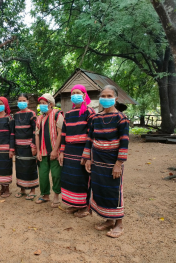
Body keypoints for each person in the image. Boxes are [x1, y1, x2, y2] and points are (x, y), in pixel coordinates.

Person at [83, 85, 129, 238]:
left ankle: (119, 224)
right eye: (104, 96)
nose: (106, 99)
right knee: (100, 189)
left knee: (114, 191)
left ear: (116, 99)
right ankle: (109, 220)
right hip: (97, 161)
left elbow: (124, 142)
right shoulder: (95, 118)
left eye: (109, 96)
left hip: (112, 162)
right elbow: (90, 139)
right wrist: (88, 158)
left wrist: (118, 164)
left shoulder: (121, 119)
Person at [59, 85, 95, 217]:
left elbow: (91, 134)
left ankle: (85, 207)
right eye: (73, 93)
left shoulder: (90, 112)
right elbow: (64, 134)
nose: (75, 95)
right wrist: (62, 152)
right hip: (69, 150)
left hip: (82, 150)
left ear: (84, 95)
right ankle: (74, 204)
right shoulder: (68, 114)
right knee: (70, 178)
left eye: (78, 93)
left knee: (82, 179)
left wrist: (87, 154)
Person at [35, 93, 64, 207]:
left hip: (54, 151)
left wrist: (56, 150)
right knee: (42, 174)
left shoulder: (57, 114)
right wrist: (38, 151)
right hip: (42, 151)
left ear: (50, 104)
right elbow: (37, 135)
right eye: (40, 104)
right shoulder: (39, 118)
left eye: (43, 103)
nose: (41, 106)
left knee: (56, 174)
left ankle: (56, 196)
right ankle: (45, 195)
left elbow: (60, 133)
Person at [14, 93, 38, 200]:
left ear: (27, 102)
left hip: (29, 147)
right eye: (20, 100)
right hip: (19, 147)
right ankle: (22, 190)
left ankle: (32, 190)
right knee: (20, 168)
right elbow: (13, 132)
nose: (22, 102)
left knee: (30, 167)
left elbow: (35, 131)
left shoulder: (32, 114)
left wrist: (33, 145)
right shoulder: (16, 115)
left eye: (24, 100)